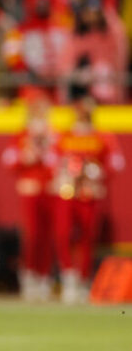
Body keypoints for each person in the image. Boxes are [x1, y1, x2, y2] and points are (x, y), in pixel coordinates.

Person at [50, 96, 125, 304]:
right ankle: (68, 277)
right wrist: (62, 173)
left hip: (88, 193)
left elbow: (116, 162)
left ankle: (83, 279)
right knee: (63, 234)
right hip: (67, 191)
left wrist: (97, 172)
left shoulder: (102, 136)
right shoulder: (63, 136)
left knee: (87, 237)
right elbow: (52, 159)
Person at [1, 90, 56, 301]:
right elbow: (9, 161)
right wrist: (28, 156)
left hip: (51, 189)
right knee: (31, 235)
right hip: (30, 190)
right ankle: (29, 276)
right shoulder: (22, 135)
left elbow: (60, 160)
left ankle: (44, 276)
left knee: (47, 236)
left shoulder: (54, 135)